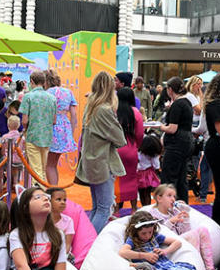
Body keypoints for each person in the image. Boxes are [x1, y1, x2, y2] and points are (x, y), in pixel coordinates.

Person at [76, 71, 126, 233]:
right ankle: (89, 244)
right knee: (104, 209)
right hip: (103, 162)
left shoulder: (91, 106)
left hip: (92, 161)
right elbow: (120, 139)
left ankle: (84, 242)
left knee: (97, 207)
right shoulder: (104, 109)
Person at [148, 183, 220, 270]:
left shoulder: (172, 212)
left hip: (180, 243)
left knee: (202, 230)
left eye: (174, 196)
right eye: (169, 196)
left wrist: (185, 219)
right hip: (168, 247)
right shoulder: (153, 214)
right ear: (159, 198)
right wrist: (170, 222)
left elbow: (185, 232)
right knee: (193, 235)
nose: (173, 199)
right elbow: (158, 235)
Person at [157, 76, 195, 201]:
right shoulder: (187, 102)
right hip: (186, 142)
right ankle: (181, 205)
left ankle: (168, 206)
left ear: (170, 89)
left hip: (176, 144)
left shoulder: (178, 104)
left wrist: (161, 126)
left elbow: (172, 128)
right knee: (181, 177)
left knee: (169, 178)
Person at [19, 70, 57, 183]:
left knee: (36, 170)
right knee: (43, 169)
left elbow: (24, 121)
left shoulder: (28, 97)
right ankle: (43, 193)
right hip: (47, 136)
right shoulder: (52, 98)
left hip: (32, 135)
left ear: (31, 81)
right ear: (44, 82)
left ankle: (39, 195)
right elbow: (54, 121)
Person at [44, 69, 78, 187]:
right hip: (64, 127)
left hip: (51, 127)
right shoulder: (68, 92)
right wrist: (71, 133)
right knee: (53, 164)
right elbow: (74, 115)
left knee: (49, 164)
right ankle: (55, 189)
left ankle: (53, 191)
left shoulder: (47, 93)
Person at [115, 87, 145, 212]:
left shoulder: (113, 111)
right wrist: (136, 146)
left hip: (115, 150)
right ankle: (133, 208)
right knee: (132, 178)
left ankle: (116, 209)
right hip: (130, 149)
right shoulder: (136, 113)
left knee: (116, 180)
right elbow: (140, 134)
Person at [137, 134, 163, 208]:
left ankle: (143, 206)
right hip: (148, 174)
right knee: (147, 193)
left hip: (139, 173)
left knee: (141, 192)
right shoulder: (153, 155)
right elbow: (156, 165)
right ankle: (147, 208)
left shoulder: (139, 152)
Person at [48, 188, 75, 257]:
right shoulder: (41, 220)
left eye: (64, 200)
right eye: (58, 199)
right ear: (48, 201)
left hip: (63, 255)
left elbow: (67, 245)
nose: (63, 202)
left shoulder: (68, 221)